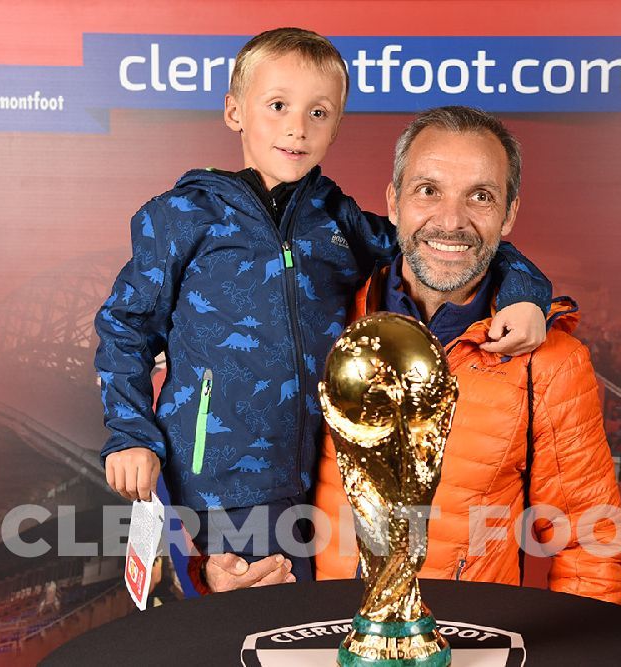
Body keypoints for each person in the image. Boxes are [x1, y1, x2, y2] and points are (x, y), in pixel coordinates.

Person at [94, 29, 553, 588]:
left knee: (324, 627)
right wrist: (131, 435)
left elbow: (440, 245)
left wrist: (526, 294)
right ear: (235, 111)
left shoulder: (337, 221)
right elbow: (124, 328)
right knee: (246, 616)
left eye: (319, 112)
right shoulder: (180, 217)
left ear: (337, 125)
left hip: (327, 483)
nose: (297, 127)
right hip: (223, 486)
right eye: (278, 106)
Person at [307, 106, 621, 602]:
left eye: (480, 196)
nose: (451, 221)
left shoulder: (552, 362)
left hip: (467, 641)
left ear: (509, 214)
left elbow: (589, 542)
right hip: (320, 634)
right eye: (428, 190)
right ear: (394, 202)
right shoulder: (321, 321)